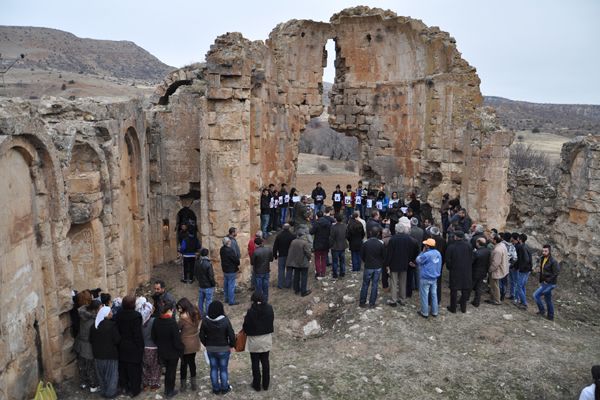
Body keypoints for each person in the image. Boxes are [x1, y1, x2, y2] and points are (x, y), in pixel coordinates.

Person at [199, 301, 236, 395]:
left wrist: (206, 344)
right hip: (223, 349)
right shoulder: (225, 320)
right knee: (223, 369)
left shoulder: (205, 320)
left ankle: (215, 389)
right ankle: (224, 388)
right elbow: (231, 335)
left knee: (213, 369)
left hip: (211, 349)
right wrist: (232, 345)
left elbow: (201, 335)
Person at [243, 292, 275, 392]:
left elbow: (245, 327)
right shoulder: (269, 308)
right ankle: (266, 384)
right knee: (265, 362)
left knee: (255, 363)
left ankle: (256, 384)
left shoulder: (250, 312)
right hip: (266, 339)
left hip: (254, 341)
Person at [151, 300, 184, 398]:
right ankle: (169, 391)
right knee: (171, 372)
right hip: (172, 352)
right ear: (170, 310)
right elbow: (177, 340)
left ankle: (167, 390)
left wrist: (160, 344)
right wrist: (181, 349)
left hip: (162, 351)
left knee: (167, 372)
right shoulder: (172, 323)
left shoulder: (157, 320)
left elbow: (153, 336)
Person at [114, 295, 143, 397]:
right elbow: (137, 334)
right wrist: (140, 348)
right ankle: (134, 390)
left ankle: (125, 387)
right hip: (133, 347)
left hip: (122, 345)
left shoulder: (118, 315)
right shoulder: (136, 316)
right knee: (134, 370)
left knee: (123, 368)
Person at [385, 220, 419, 306]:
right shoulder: (408, 239)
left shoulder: (393, 239)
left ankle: (394, 300)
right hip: (404, 263)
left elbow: (390, 253)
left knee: (393, 282)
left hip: (394, 263)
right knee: (403, 282)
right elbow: (410, 251)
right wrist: (410, 260)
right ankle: (402, 299)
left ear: (396, 230)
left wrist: (387, 264)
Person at [89, 306, 121, 399]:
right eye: (110, 312)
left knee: (101, 374)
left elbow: (91, 339)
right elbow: (117, 340)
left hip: (98, 355)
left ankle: (103, 391)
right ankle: (110, 393)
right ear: (106, 315)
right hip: (110, 355)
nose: (112, 313)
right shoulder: (112, 325)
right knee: (111, 375)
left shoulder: (94, 326)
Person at [74, 300, 101, 393]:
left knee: (82, 365)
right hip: (88, 345)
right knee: (90, 366)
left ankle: (83, 382)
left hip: (80, 343)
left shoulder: (83, 315)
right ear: (95, 309)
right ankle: (93, 385)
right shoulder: (92, 320)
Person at [176, 298, 201, 392]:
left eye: (180, 307)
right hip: (194, 342)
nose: (179, 309)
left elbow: (178, 328)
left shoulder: (182, 318)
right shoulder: (196, 313)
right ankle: (193, 384)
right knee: (192, 362)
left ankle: (183, 386)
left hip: (185, 343)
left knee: (183, 364)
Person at [445, 231, 473, 313]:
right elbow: (472, 258)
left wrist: (450, 268)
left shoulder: (451, 247)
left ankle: (453, 308)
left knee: (454, 290)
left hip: (455, 270)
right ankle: (463, 308)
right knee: (465, 290)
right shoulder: (469, 245)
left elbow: (448, 260)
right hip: (466, 271)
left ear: (456, 237)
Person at [136, 298, 161, 392]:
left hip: (143, 346)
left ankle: (145, 384)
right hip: (153, 347)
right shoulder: (154, 321)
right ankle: (154, 384)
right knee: (155, 366)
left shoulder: (139, 322)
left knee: (145, 366)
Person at [359, 225, 385, 308]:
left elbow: (362, 255)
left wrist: (366, 261)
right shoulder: (381, 244)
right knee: (375, 285)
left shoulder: (365, 243)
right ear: (378, 234)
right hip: (377, 267)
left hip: (368, 266)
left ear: (370, 233)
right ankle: (372, 303)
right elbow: (383, 256)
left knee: (365, 284)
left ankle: (362, 302)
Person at [416, 238, 442, 318]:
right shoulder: (438, 253)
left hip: (426, 277)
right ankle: (435, 311)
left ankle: (424, 312)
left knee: (424, 295)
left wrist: (422, 252)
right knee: (434, 294)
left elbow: (418, 260)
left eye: (425, 245)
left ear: (427, 246)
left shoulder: (426, 254)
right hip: (434, 277)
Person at [533, 244, 560, 320]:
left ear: (549, 251)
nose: (544, 252)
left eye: (546, 251)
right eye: (543, 251)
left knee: (536, 295)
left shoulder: (553, 261)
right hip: (544, 282)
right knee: (548, 299)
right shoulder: (542, 258)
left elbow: (556, 273)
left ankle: (543, 311)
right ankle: (550, 316)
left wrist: (547, 281)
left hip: (549, 283)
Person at [286, 229, 313, 296]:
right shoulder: (305, 243)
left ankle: (296, 289)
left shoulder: (293, 241)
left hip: (295, 262)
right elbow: (308, 253)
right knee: (304, 276)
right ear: (303, 235)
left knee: (296, 276)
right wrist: (309, 258)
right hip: (303, 262)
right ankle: (303, 291)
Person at [487, 234, 509, 305]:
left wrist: (489, 270)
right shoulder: (502, 245)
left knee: (494, 286)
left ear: (495, 240)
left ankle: (496, 300)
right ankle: (493, 298)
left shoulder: (497, 250)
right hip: (501, 269)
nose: (491, 240)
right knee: (495, 285)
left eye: (492, 239)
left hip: (496, 271)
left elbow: (495, 263)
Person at [194, 248, 216, 317]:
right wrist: (213, 284)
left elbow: (195, 273)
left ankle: (201, 313)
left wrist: (199, 281)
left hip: (201, 285)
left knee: (201, 300)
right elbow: (211, 276)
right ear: (207, 254)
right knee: (208, 301)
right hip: (208, 286)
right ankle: (208, 315)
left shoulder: (197, 262)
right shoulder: (208, 264)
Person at [251, 237, 274, 302]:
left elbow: (252, 262)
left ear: (255, 244)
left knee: (259, 287)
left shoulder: (256, 252)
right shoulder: (268, 249)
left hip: (258, 272)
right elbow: (271, 259)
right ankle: (265, 299)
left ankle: (259, 300)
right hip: (266, 270)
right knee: (266, 286)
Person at [273, 224, 295, 289]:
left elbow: (275, 247)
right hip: (290, 255)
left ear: (283, 228)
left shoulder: (279, 236)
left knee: (281, 270)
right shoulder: (292, 236)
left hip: (281, 255)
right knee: (289, 269)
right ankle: (288, 284)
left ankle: (280, 284)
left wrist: (275, 255)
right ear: (289, 228)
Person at [310, 210, 332, 278]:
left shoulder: (316, 223)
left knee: (317, 258)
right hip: (326, 242)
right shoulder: (328, 223)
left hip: (318, 243)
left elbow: (311, 232)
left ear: (317, 216)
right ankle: (323, 272)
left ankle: (318, 272)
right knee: (324, 258)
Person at [471, 237, 491, 307]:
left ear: (478, 243)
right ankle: (476, 302)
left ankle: (463, 299)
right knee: (479, 287)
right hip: (483, 272)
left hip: (475, 272)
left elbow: (471, 262)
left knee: (470, 287)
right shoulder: (488, 251)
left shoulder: (476, 253)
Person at [220, 237, 241, 306]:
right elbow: (235, 259)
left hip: (225, 269)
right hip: (231, 270)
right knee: (231, 286)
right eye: (229, 241)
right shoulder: (230, 250)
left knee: (226, 284)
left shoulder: (222, 249)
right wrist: (238, 263)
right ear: (228, 242)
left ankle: (226, 298)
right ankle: (231, 301)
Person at [515, 233, 533, 309]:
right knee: (522, 286)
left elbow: (526, 259)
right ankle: (522, 301)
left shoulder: (522, 247)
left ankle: (524, 303)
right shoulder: (527, 246)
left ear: (520, 239)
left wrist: (521, 268)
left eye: (518, 238)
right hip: (528, 269)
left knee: (519, 286)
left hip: (524, 270)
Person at [329, 213, 348, 278]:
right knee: (342, 260)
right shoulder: (345, 226)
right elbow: (347, 235)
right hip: (342, 245)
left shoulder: (333, 227)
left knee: (335, 261)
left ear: (336, 219)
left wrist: (330, 245)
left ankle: (335, 274)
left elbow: (331, 237)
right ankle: (342, 272)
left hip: (335, 246)